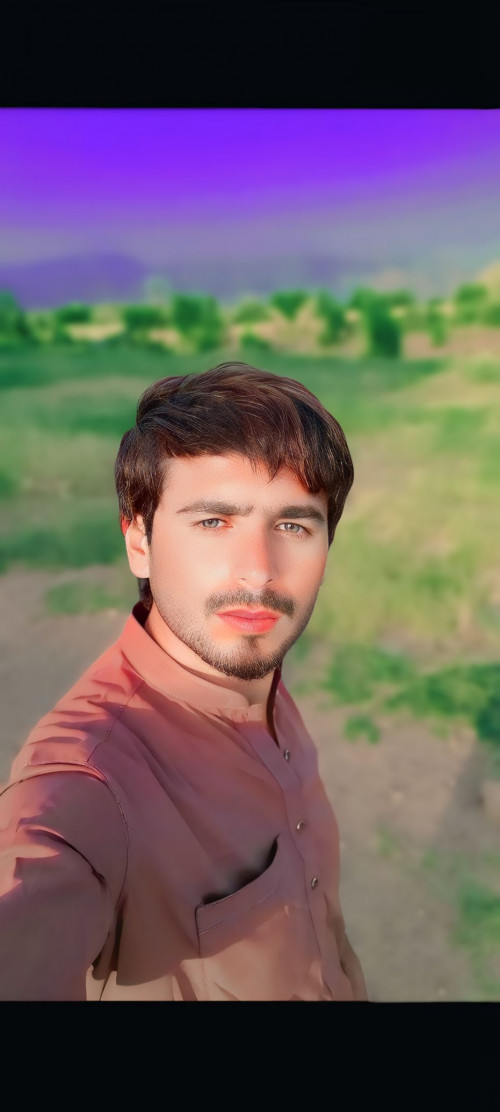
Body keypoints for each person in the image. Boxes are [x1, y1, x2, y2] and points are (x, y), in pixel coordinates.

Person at [0, 361, 368, 1001]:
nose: (258, 573)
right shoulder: (85, 785)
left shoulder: (259, 681)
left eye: (292, 525)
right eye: (213, 522)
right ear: (139, 542)